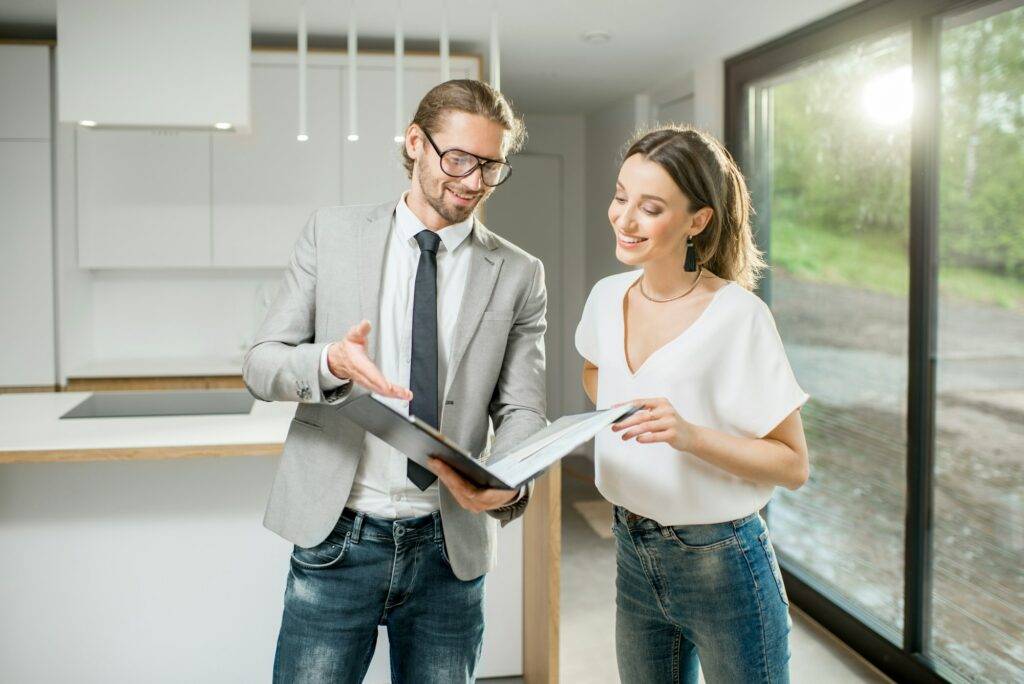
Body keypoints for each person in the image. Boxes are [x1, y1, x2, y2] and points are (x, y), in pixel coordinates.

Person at [243, 79, 548, 683]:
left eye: (491, 167)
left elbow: (523, 411)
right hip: (338, 536)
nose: (472, 182)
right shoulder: (331, 234)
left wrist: (507, 484)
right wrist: (329, 361)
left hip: (447, 547)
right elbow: (261, 363)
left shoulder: (518, 273)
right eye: (458, 158)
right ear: (415, 142)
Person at [575, 124, 810, 683]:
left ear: (697, 220)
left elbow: (792, 465)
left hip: (721, 560)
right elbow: (594, 371)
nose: (624, 219)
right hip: (632, 545)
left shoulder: (738, 316)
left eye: (650, 207)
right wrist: (628, 411)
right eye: (620, 196)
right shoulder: (607, 296)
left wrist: (688, 435)